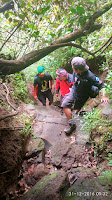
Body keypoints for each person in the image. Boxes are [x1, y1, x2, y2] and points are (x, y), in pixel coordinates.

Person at [61, 57, 110, 135]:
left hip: (83, 95)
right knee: (65, 104)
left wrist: (104, 96)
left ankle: (75, 119)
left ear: (78, 70)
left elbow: (102, 85)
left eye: (73, 67)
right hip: (74, 91)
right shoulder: (75, 72)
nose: (72, 68)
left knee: (76, 110)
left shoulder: (90, 76)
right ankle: (71, 123)